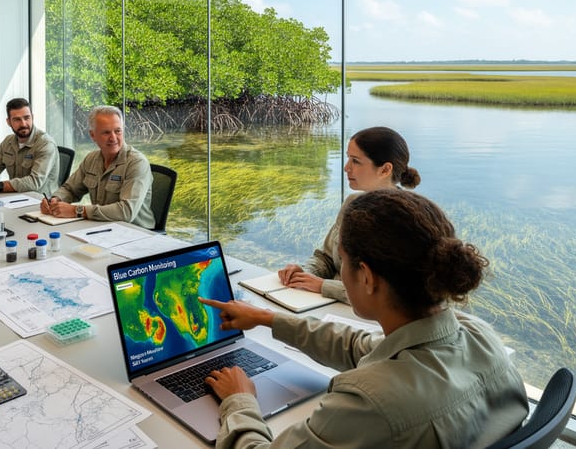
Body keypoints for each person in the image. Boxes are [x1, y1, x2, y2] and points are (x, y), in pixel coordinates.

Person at [200, 189, 528, 449]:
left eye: (342, 260)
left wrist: (239, 401)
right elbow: (362, 347)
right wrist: (266, 318)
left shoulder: (370, 404)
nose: (339, 269)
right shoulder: (477, 333)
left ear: (367, 277)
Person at [279, 126, 421, 303]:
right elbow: (326, 257)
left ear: (385, 169)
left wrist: (323, 286)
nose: (346, 167)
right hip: (328, 305)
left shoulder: (406, 221)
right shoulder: (352, 203)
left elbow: (388, 293)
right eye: (348, 158)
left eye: (355, 161)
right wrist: (304, 274)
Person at [41, 105, 154, 229]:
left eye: (118, 131)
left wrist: (77, 211)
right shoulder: (91, 159)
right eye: (106, 132)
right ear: (93, 135)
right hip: (103, 227)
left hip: (135, 233)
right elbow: (70, 189)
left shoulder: (137, 163)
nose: (113, 138)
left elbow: (126, 212)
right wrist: (55, 200)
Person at [0, 98, 59, 195]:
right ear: (8, 122)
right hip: (15, 197)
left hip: (41, 202)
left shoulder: (45, 144)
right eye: (17, 119)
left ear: (32, 117)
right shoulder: (8, 142)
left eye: (27, 118)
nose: (23, 124)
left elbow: (35, 182)